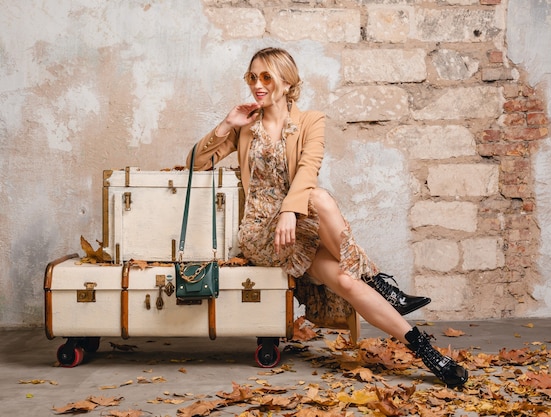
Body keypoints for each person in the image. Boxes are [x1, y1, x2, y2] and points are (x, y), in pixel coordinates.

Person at [187, 47, 468, 387]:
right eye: (252, 77)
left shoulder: (310, 122)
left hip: (299, 226)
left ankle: (429, 355)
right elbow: (195, 164)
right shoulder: (246, 126)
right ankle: (381, 284)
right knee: (318, 199)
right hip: (263, 234)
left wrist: (290, 210)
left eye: (266, 77)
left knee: (347, 280)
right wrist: (226, 123)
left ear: (287, 83)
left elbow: (309, 169)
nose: (257, 85)